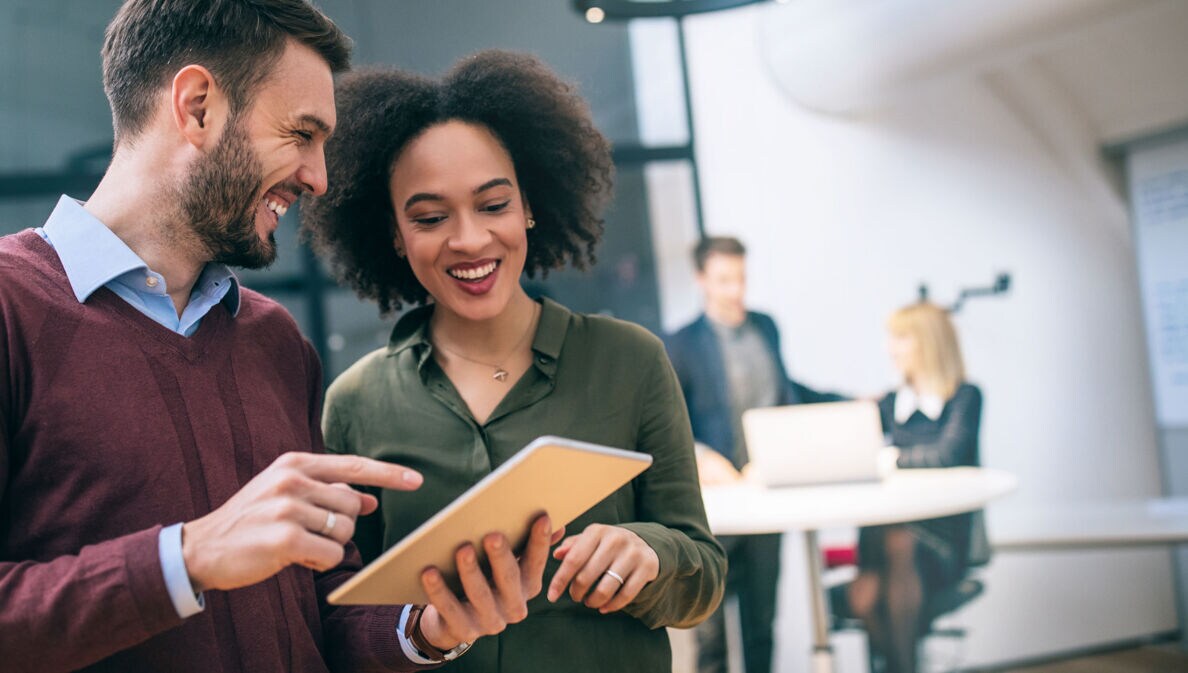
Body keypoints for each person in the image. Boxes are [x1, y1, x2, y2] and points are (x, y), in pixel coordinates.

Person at [0, 3, 556, 671]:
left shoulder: (274, 340)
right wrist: (187, 558)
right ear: (198, 106)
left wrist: (426, 628)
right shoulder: (11, 307)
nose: (319, 177)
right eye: (301, 133)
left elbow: (321, 603)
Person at [300, 50, 727, 672]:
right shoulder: (356, 402)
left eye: (494, 205)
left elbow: (703, 574)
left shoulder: (629, 362)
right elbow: (340, 617)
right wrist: (425, 630)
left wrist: (651, 553)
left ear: (529, 204)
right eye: (430, 217)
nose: (470, 239)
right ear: (393, 232)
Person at [665, 236, 844, 673]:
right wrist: (701, 456)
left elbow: (787, 390)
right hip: (715, 507)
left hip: (765, 494)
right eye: (725, 280)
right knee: (710, 634)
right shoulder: (682, 344)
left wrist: (848, 402)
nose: (736, 290)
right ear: (702, 279)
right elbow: (670, 419)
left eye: (741, 278)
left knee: (762, 625)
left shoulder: (766, 327)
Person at [846, 302, 983, 673]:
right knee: (865, 595)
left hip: (939, 542)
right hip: (883, 544)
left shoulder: (964, 398)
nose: (890, 348)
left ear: (929, 342)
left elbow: (947, 454)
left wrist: (888, 459)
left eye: (900, 338)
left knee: (897, 544)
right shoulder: (890, 403)